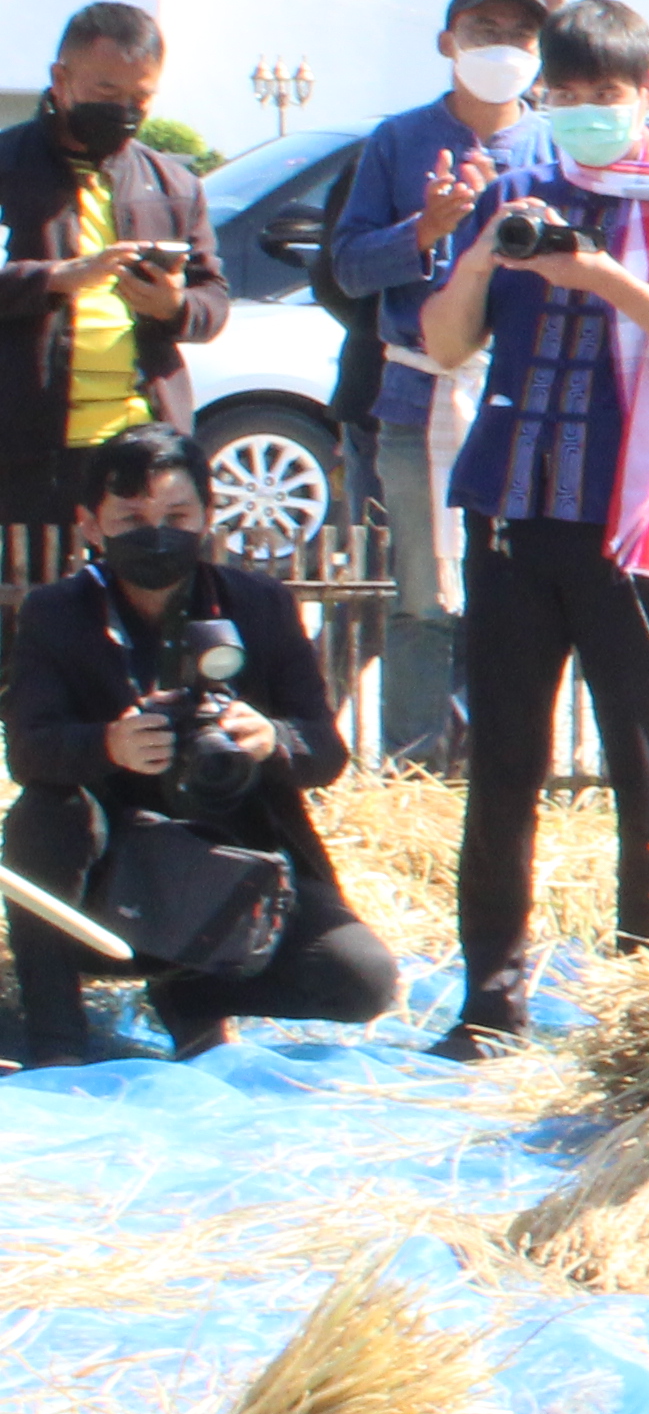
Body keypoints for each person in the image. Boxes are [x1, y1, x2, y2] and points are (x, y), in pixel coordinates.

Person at [418, 0, 649, 1058]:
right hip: (515, 518)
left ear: (648, 95)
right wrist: (484, 253)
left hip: (637, 526)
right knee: (500, 762)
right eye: (564, 97)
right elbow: (444, 344)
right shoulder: (523, 189)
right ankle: (489, 998)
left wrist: (609, 278)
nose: (583, 115)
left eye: (605, 97)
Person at [3, 428, 400, 1065]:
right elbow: (28, 749)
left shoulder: (260, 606)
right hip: (109, 868)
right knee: (41, 819)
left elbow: (326, 751)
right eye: (130, 518)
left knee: (363, 981)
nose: (155, 532)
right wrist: (108, 745)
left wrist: (273, 740)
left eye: (176, 515)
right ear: (89, 526)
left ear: (209, 517)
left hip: (233, 854)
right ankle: (57, 1043)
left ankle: (194, 997)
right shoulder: (58, 611)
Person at [323, 0, 549, 764]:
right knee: (423, 597)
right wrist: (425, 229)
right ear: (448, 41)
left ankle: (502, 760)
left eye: (520, 35)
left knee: (520, 596)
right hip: (419, 394)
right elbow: (347, 268)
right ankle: (416, 765)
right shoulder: (398, 140)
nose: (503, 49)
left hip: (528, 402)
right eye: (484, 30)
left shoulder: (554, 146)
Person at [0, 2, 222, 532]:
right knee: (31, 605)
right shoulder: (8, 167)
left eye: (140, 97)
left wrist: (174, 306)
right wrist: (56, 279)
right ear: (61, 78)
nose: (124, 108)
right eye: (106, 93)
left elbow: (213, 300)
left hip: (140, 448)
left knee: (136, 603)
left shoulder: (173, 184)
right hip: (26, 446)